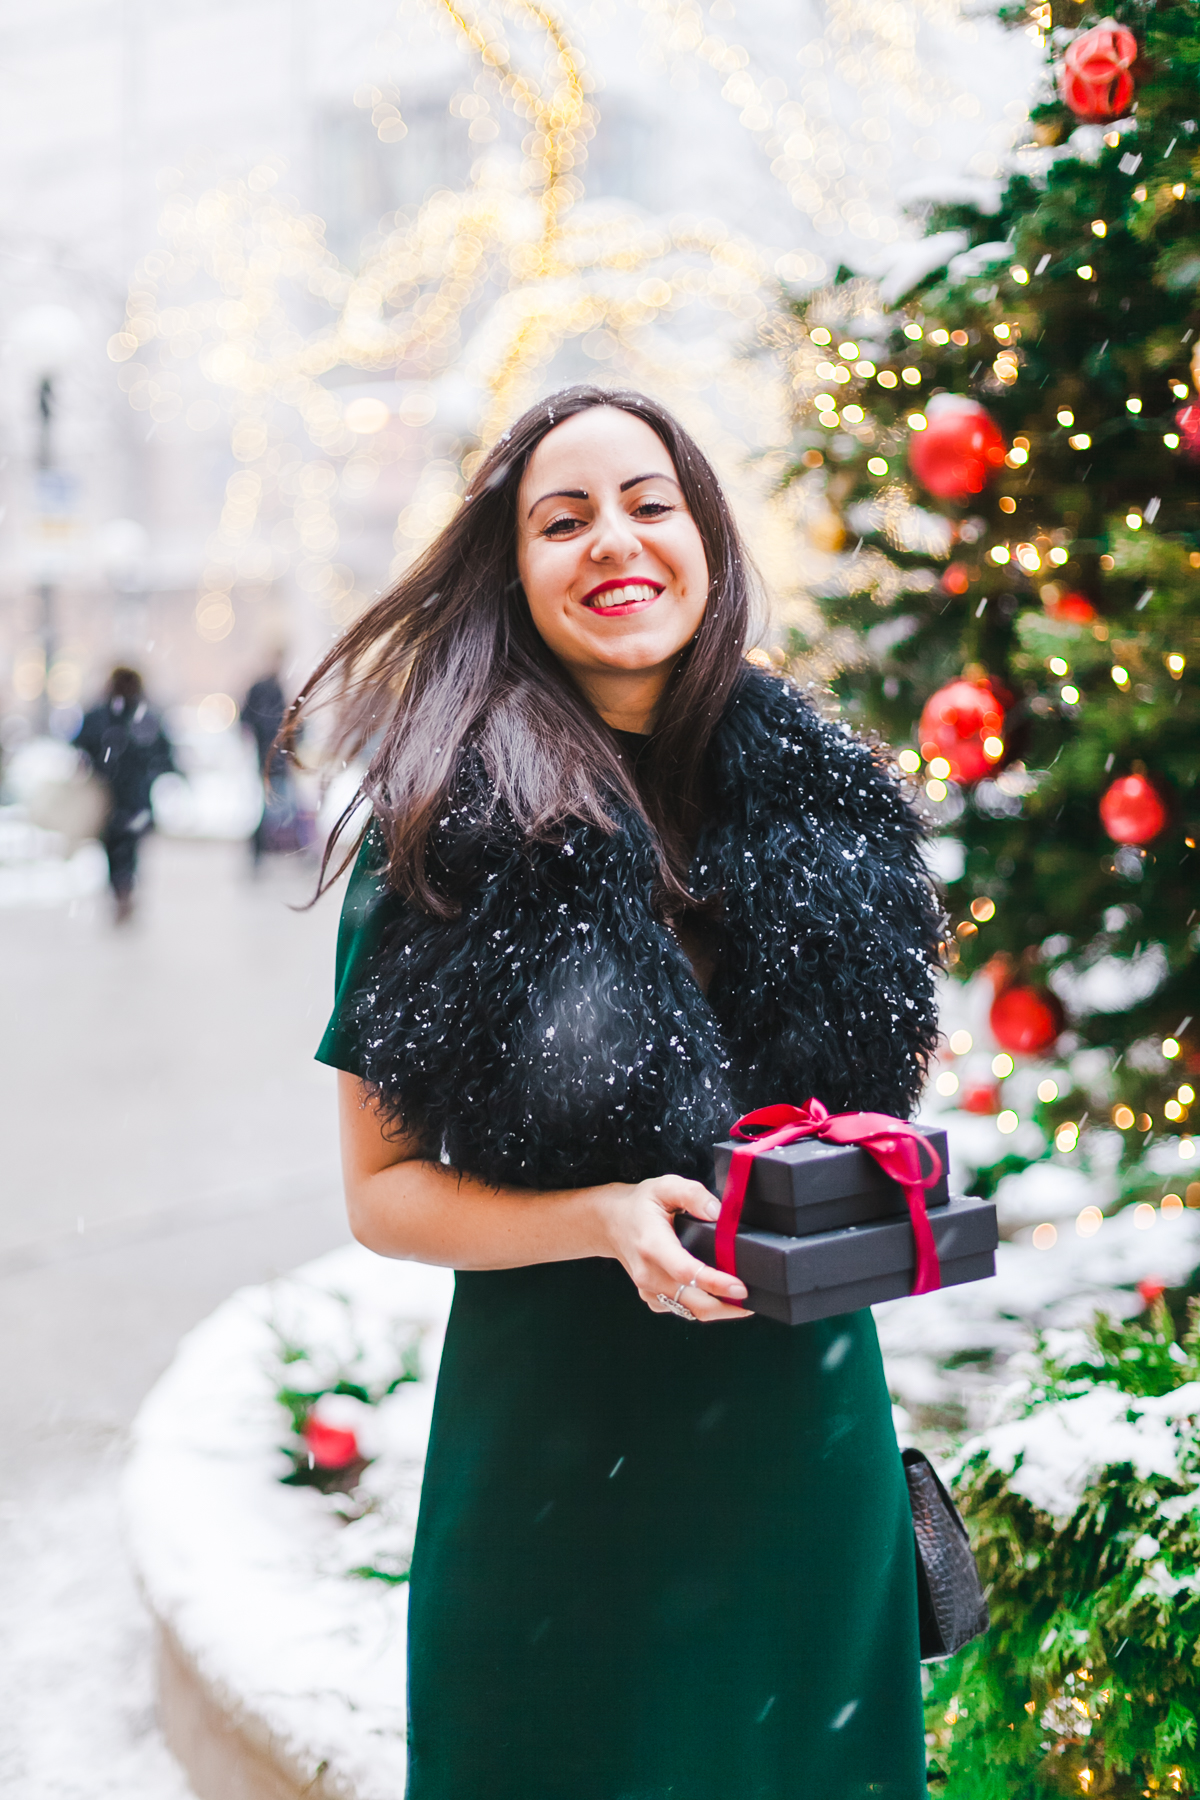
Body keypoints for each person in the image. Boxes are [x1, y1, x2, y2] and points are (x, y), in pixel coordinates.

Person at [292, 386, 942, 1799]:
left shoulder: (828, 813)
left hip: (804, 1452)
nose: (613, 542)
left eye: (649, 502)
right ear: (512, 572)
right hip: (556, 1470)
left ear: (705, 536)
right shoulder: (443, 842)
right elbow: (385, 1197)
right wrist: (597, 1219)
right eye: (561, 518)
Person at [74, 667, 174, 922]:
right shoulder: (143, 717)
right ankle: (124, 890)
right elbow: (163, 754)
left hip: (115, 796)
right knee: (125, 846)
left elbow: (81, 747)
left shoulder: (105, 715)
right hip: (125, 797)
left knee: (118, 847)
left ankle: (122, 891)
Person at [242, 655, 291, 867]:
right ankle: (262, 849)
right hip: (271, 755)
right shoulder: (268, 689)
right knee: (272, 804)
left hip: (274, 755)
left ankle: (263, 849)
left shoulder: (271, 689)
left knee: (273, 804)